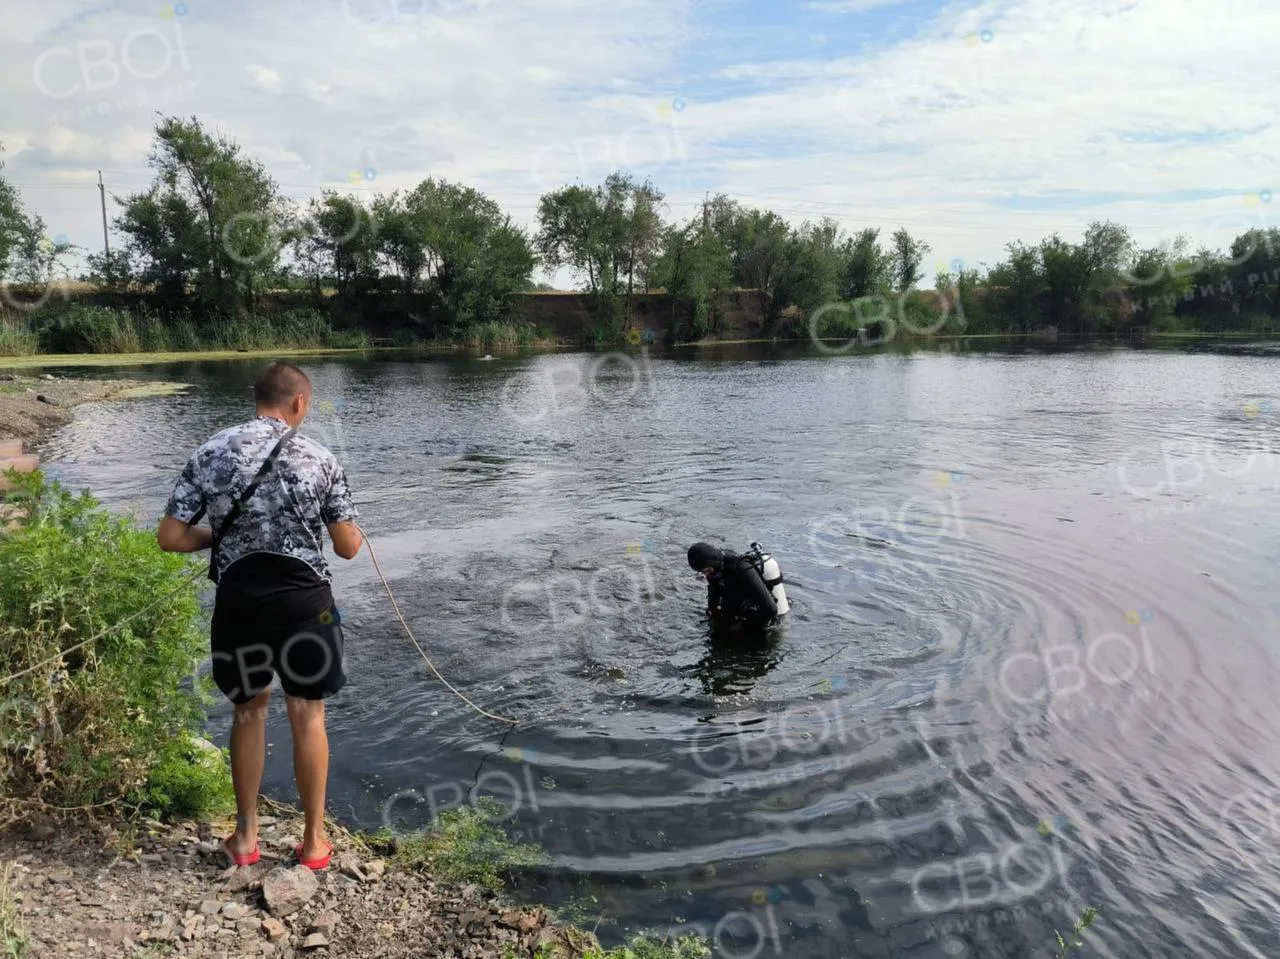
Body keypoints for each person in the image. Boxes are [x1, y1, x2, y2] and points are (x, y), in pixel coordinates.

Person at [156, 362, 362, 872]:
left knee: (248, 711)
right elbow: (348, 547)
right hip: (301, 605)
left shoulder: (210, 452)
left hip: (239, 602)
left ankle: (245, 837)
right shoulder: (320, 457)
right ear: (298, 403)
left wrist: (221, 539)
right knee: (308, 714)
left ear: (258, 399)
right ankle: (314, 843)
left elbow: (171, 536)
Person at [687, 541, 780, 628]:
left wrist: (744, 625)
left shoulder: (742, 568)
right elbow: (714, 598)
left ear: (712, 561)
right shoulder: (716, 570)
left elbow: (771, 610)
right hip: (734, 614)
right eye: (703, 572)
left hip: (752, 621)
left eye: (707, 570)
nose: (706, 574)